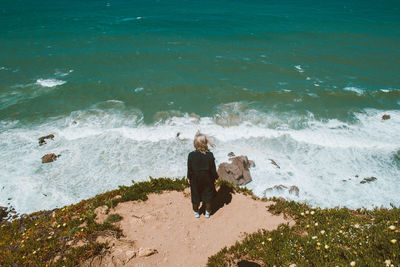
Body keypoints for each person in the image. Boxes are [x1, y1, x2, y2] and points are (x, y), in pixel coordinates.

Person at [187, 132, 218, 218]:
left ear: (195, 144)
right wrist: (215, 178)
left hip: (195, 180)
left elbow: (190, 169)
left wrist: (189, 177)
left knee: (195, 197)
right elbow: (213, 170)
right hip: (207, 179)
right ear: (205, 143)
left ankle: (196, 212)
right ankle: (207, 213)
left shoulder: (191, 155)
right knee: (208, 197)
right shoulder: (210, 155)